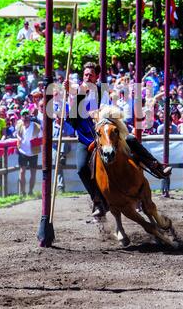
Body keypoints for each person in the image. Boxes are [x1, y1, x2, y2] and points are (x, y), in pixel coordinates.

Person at [64, 61, 172, 219]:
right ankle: (98, 200)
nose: (87, 77)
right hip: (86, 139)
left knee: (132, 140)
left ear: (96, 77)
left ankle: (156, 166)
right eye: (85, 74)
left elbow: (103, 110)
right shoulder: (78, 90)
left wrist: (92, 111)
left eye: (91, 75)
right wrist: (68, 89)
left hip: (105, 135)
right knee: (81, 169)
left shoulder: (102, 90)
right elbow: (73, 89)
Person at [16, 108, 42, 196]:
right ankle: (23, 192)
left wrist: (36, 141)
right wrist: (18, 138)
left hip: (33, 151)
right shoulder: (19, 125)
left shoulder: (36, 126)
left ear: (29, 117)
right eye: (23, 116)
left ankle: (30, 191)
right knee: (22, 171)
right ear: (21, 118)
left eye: (27, 116)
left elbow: (41, 136)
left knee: (33, 172)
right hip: (22, 151)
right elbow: (17, 134)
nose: (25, 118)